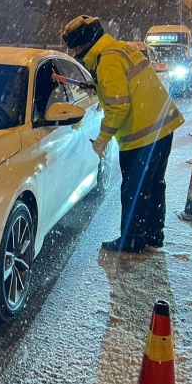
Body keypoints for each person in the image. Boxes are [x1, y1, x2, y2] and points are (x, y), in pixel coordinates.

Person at [61, 15, 185, 253]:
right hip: (162, 126)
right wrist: (97, 86)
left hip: (142, 134)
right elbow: (125, 84)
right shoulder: (119, 49)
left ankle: (132, 239)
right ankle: (153, 234)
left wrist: (102, 139)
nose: (75, 53)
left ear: (87, 43)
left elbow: (118, 107)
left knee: (133, 190)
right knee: (154, 184)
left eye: (76, 47)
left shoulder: (107, 61)